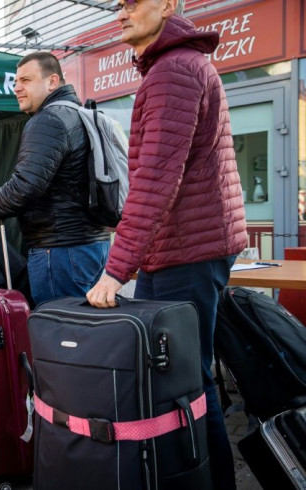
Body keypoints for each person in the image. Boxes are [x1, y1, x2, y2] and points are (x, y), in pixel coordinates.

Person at [85, 2, 247, 488]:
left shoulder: (173, 69)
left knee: (185, 387)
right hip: (189, 247)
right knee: (189, 381)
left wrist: (116, 270)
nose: (121, 13)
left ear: (169, 5)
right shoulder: (179, 65)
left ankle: (206, 480)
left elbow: (156, 181)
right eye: (118, 5)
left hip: (185, 252)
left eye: (134, 2)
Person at [0, 51, 110, 305]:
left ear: (52, 81)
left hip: (60, 250)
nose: (17, 88)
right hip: (90, 244)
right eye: (15, 82)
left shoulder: (48, 119)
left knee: (60, 334)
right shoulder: (78, 113)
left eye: (26, 80)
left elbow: (25, 186)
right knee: (87, 335)